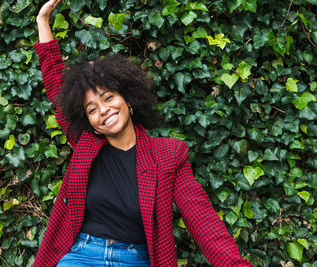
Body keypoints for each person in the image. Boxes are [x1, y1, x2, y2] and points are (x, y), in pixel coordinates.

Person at [33, 0, 253, 266]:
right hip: (82, 255)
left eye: (108, 98)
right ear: (87, 121)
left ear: (128, 99)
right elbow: (57, 86)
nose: (103, 110)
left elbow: (201, 218)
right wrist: (42, 21)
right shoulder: (85, 143)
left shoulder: (169, 154)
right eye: (92, 109)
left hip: (134, 259)